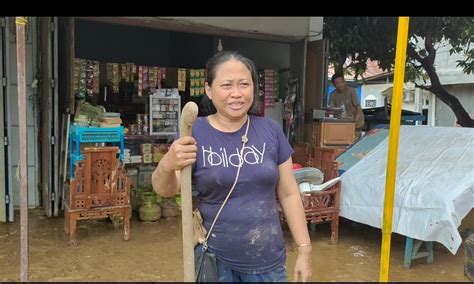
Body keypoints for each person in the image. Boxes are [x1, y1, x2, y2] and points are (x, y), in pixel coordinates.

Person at [152, 51, 312, 282]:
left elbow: (288, 194)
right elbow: (166, 189)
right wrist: (167, 164)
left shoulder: (271, 130)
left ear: (253, 88)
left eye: (244, 84)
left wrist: (305, 248)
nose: (236, 94)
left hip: (267, 263)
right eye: (226, 85)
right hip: (215, 261)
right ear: (208, 89)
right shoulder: (194, 132)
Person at [328, 73, 365, 138]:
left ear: (344, 82)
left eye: (341, 82)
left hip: (356, 121)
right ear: (334, 85)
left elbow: (358, 108)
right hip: (343, 123)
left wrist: (354, 122)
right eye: (337, 83)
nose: (340, 84)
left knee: (354, 140)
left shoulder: (352, 91)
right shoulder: (333, 95)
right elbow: (331, 110)